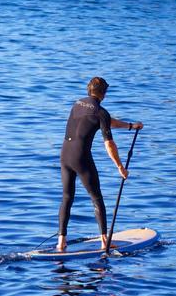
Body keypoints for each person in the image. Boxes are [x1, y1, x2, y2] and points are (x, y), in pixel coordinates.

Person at [57, 77, 143, 252]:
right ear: (103, 93)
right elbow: (109, 144)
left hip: (65, 154)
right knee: (96, 198)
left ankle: (61, 242)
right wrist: (120, 167)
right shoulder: (101, 112)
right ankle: (105, 242)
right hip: (81, 157)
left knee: (67, 197)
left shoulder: (77, 104)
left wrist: (130, 126)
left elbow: (105, 121)